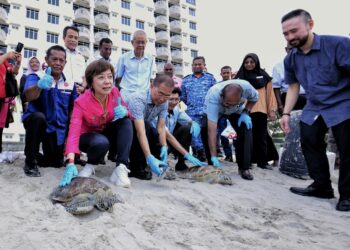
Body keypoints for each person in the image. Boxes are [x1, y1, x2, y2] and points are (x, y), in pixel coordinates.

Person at [280, 9, 350, 211]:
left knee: (347, 151)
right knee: (309, 141)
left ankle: (347, 195)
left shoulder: (338, 44)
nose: (290, 37)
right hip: (315, 105)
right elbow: (293, 86)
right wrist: (285, 113)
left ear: (310, 24)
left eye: (294, 31)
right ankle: (322, 186)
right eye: (286, 34)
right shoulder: (290, 59)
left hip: (343, 103)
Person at [60, 60, 133, 188]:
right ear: (90, 82)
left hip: (106, 132)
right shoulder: (81, 102)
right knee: (101, 142)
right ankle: (90, 166)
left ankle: (121, 168)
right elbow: (73, 134)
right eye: (101, 77)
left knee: (126, 122)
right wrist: (70, 162)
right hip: (88, 138)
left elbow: (128, 112)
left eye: (110, 77)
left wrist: (126, 112)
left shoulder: (115, 92)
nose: (107, 81)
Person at [22, 45, 78, 177]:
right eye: (54, 59)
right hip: (38, 124)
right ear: (46, 60)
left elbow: (74, 109)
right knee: (38, 117)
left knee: (55, 162)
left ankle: (41, 155)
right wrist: (39, 85)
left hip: (57, 130)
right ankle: (30, 162)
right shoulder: (36, 76)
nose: (58, 63)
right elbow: (27, 96)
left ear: (65, 62)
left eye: (61, 60)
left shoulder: (70, 82)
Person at [202, 79, 259, 180]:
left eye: (233, 103)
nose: (229, 106)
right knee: (205, 129)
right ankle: (212, 164)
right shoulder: (213, 95)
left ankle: (244, 168)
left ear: (241, 96)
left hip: (237, 111)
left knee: (246, 127)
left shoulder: (247, 88)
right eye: (228, 103)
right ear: (222, 96)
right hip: (217, 109)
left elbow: (255, 98)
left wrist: (246, 112)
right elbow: (212, 131)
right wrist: (214, 156)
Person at [126, 74, 174, 180]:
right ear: (152, 86)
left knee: (161, 142)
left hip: (142, 129)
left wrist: (164, 146)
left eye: (167, 96)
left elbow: (161, 127)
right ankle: (136, 167)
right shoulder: (138, 99)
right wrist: (149, 156)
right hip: (125, 134)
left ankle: (156, 164)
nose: (162, 99)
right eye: (160, 93)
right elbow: (140, 131)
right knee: (146, 126)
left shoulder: (164, 103)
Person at [235, 53, 278, 170]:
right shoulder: (239, 78)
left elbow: (270, 95)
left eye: (252, 62)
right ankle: (247, 163)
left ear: (257, 62)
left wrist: (272, 110)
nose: (249, 64)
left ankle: (263, 162)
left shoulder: (265, 77)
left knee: (261, 138)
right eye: (246, 62)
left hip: (261, 111)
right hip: (244, 112)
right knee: (246, 139)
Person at [152, 87, 205, 170]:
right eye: (171, 99)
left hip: (169, 143)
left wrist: (194, 124)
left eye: (176, 99)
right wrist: (186, 154)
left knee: (187, 129)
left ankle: (181, 163)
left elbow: (188, 121)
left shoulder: (176, 110)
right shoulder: (158, 109)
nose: (173, 102)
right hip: (156, 144)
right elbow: (167, 135)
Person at [181, 56, 216, 162]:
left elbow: (215, 94)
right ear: (192, 66)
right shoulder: (186, 80)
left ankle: (207, 155)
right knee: (194, 136)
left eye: (199, 64)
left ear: (204, 66)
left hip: (207, 113)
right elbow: (183, 97)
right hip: (192, 113)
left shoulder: (210, 78)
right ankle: (200, 153)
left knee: (208, 136)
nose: (197, 66)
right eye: (195, 64)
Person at [115, 30, 156, 102]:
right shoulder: (124, 58)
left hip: (144, 96)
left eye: (143, 42)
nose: (140, 45)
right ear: (132, 43)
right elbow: (118, 78)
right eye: (138, 42)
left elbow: (151, 79)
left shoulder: (150, 59)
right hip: (126, 96)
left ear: (146, 43)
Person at [272, 44, 306, 115]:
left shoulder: (306, 62)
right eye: (290, 49)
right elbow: (276, 88)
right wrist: (280, 105)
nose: (293, 51)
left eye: (295, 48)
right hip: (289, 99)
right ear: (286, 49)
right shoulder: (278, 67)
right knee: (291, 123)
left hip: (307, 98)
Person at [0, 50, 22, 153]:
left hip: (3, 96)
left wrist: (18, 63)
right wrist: (6, 55)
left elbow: (13, 72)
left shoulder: (4, 60)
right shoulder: (3, 57)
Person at [62, 26, 87, 95]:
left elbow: (85, 76)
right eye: (70, 37)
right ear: (64, 38)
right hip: (62, 91)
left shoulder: (81, 57)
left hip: (78, 92)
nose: (73, 40)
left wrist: (83, 87)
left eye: (76, 38)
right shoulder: (59, 54)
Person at [217, 66, 234, 162]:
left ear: (231, 73)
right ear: (221, 74)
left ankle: (238, 155)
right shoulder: (218, 85)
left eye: (228, 72)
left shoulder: (236, 83)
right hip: (222, 113)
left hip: (234, 113)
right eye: (224, 73)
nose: (226, 75)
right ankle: (228, 155)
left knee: (234, 135)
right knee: (223, 135)